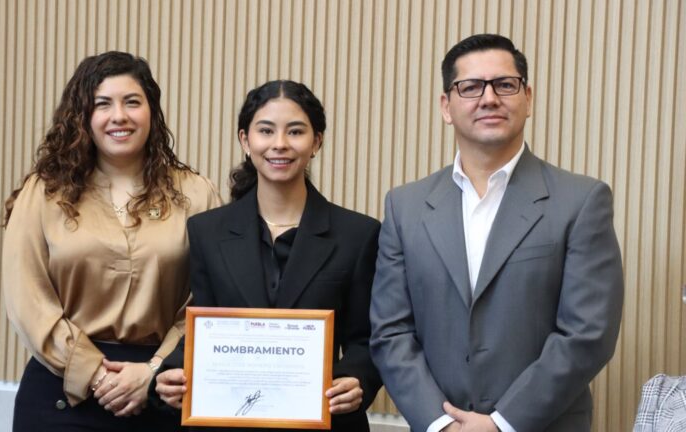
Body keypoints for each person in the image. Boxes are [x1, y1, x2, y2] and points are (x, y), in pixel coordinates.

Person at [369, 34, 624, 432]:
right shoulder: (405, 206)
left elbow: (587, 333)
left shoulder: (582, 200)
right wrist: (440, 422)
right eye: (470, 87)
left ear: (528, 98)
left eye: (505, 85)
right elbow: (390, 331)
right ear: (446, 107)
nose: (489, 99)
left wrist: (502, 423)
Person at [2, 51, 221, 431]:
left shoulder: (196, 193)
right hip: (59, 395)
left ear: (152, 111)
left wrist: (154, 371)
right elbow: (28, 298)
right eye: (103, 104)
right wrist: (95, 374)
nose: (119, 116)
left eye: (132, 102)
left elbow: (211, 297)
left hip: (164, 393)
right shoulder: (44, 192)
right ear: (83, 116)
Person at [150, 80, 383, 431]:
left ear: (317, 141)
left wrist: (355, 379)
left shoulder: (358, 234)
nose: (280, 144)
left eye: (295, 131)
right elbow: (203, 326)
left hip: (321, 420)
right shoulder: (207, 231)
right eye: (266, 130)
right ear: (246, 140)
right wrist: (172, 372)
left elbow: (367, 338)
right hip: (228, 422)